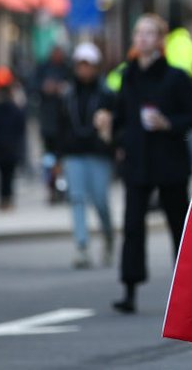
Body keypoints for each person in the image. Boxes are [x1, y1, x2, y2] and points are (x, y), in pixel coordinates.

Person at [112, 14, 192, 314]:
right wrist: (112, 130)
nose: (142, 38)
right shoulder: (128, 75)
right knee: (133, 227)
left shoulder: (176, 76)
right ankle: (129, 289)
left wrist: (168, 123)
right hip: (137, 162)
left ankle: (188, 291)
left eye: (149, 33)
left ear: (160, 40)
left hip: (170, 163)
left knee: (178, 226)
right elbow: (119, 115)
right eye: (138, 32)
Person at [56, 42, 116, 269]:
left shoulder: (107, 93)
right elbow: (60, 126)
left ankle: (108, 235)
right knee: (77, 198)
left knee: (100, 200)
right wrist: (57, 156)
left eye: (88, 65)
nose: (84, 70)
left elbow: (116, 122)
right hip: (73, 154)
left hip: (99, 153)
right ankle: (82, 247)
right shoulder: (67, 93)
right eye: (80, 65)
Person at [0, 66, 26, 212]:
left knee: (4, 174)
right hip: (7, 145)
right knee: (7, 174)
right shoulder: (11, 106)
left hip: (2, 145)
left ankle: (5, 199)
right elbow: (21, 125)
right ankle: (6, 199)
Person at [34, 46, 71, 204]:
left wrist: (64, 89)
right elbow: (33, 87)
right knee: (49, 159)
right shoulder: (43, 69)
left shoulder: (67, 69)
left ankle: (63, 188)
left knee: (63, 158)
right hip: (48, 124)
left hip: (65, 124)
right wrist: (44, 88)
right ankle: (51, 188)